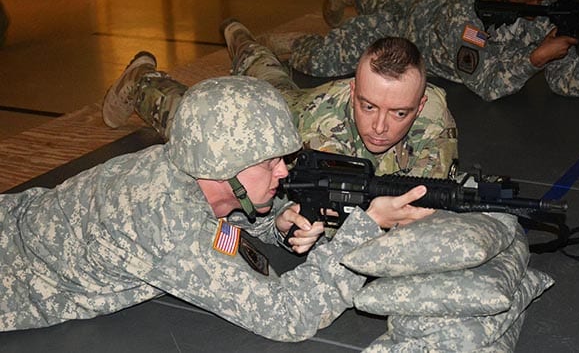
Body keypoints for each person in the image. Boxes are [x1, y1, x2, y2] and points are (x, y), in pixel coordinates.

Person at [0, 76, 435, 338]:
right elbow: (289, 316)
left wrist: (273, 222)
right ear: (223, 166)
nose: (284, 172)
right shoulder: (170, 225)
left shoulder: (180, 165)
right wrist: (366, 226)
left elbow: (227, 216)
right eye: (270, 162)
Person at [103, 20, 458, 179]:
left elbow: (430, 188)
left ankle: (242, 40)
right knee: (197, 121)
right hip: (287, 121)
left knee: (274, 81)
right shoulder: (320, 133)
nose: (380, 127)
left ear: (421, 105)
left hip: (297, 99)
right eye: (367, 106)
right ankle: (141, 81)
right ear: (353, 90)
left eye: (399, 113)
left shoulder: (435, 114)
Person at [281, 0, 579, 101]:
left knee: (392, 1)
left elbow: (564, 82)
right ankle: (288, 41)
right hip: (403, 33)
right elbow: (488, 85)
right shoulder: (462, 24)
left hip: (424, 8)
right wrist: (534, 59)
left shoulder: (543, 11)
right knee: (322, 61)